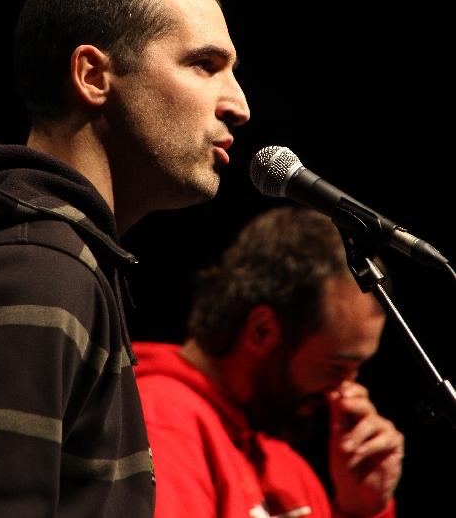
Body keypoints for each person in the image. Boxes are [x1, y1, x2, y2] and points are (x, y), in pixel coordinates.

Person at [0, 0, 250, 517]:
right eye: (205, 65)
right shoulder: (36, 267)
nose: (239, 105)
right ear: (92, 76)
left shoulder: (63, 260)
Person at [134, 205, 404, 518]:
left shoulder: (282, 463)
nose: (347, 391)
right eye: (337, 367)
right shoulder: (163, 425)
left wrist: (360, 510)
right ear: (262, 331)